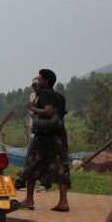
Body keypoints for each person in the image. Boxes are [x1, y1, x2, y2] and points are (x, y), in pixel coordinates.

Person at [19, 68, 71, 213]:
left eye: (40, 79)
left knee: (31, 164)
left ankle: (29, 199)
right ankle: (63, 202)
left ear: (47, 81)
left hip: (44, 136)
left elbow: (48, 111)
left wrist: (32, 107)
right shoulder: (60, 96)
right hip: (59, 136)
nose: (38, 81)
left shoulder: (45, 93)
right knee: (61, 167)